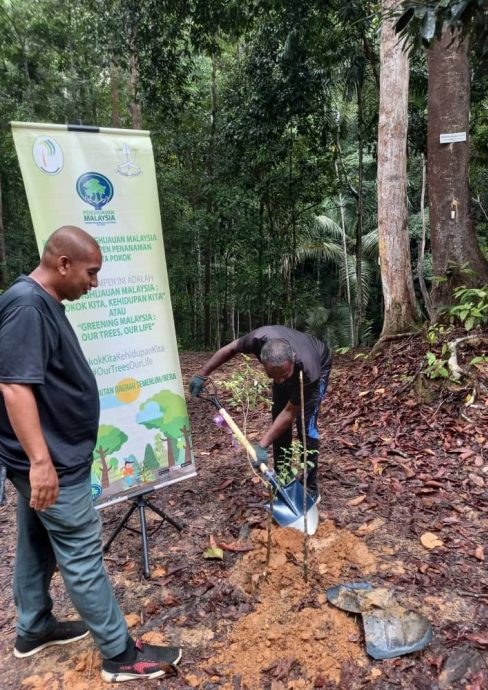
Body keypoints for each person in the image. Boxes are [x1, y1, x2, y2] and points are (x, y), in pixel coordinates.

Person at [0, 226, 181, 683]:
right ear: (63, 263)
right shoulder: (27, 306)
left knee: (37, 542)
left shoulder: (41, 302)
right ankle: (120, 655)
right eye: (91, 272)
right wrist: (41, 462)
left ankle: (34, 627)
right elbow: (14, 387)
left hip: (47, 459)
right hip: (50, 463)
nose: (94, 282)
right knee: (81, 554)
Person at [189, 326, 332, 502]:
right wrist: (203, 373)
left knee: (306, 425)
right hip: (290, 366)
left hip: (318, 362)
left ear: (292, 360)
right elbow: (230, 349)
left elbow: (290, 412)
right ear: (264, 362)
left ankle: (310, 487)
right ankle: (283, 477)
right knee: (277, 418)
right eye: (272, 375)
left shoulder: (310, 370)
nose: (279, 381)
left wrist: (262, 445)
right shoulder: (257, 339)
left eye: (284, 375)